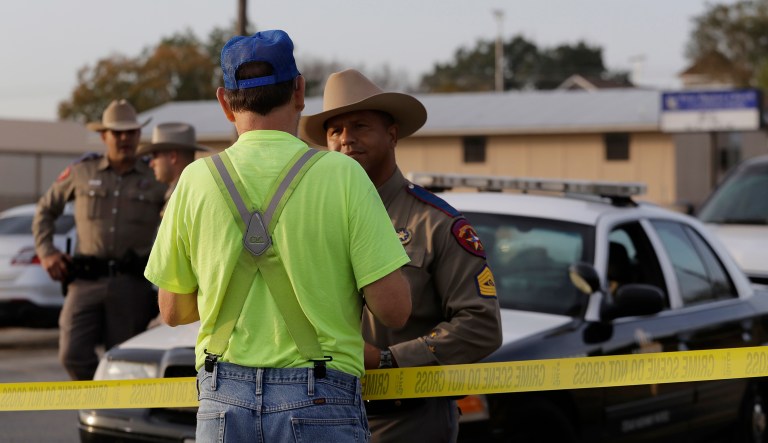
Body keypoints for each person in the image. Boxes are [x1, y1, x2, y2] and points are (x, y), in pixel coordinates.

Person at [144, 30, 412, 442]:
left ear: (224, 103)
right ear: (300, 90)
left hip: (223, 397)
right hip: (321, 395)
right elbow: (394, 309)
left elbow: (173, 311)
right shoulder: (343, 175)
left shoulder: (195, 180)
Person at [300, 69, 503, 443]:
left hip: (407, 421)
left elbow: (482, 325)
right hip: (320, 416)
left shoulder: (435, 223)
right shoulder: (310, 220)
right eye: (335, 131)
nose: (346, 140)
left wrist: (390, 360)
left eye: (360, 126)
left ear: (392, 134)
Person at [32, 99, 167, 381]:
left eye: (131, 132)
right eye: (117, 133)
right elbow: (45, 209)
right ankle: (100, 397)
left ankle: (115, 417)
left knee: (128, 361)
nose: (124, 139)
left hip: (132, 286)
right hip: (85, 282)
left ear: (139, 135)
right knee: (71, 353)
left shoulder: (154, 177)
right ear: (104, 136)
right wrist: (47, 252)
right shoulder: (82, 172)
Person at [136, 122, 212, 215]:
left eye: (155, 156)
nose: (151, 164)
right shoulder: (195, 191)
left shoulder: (183, 198)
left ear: (173, 157)